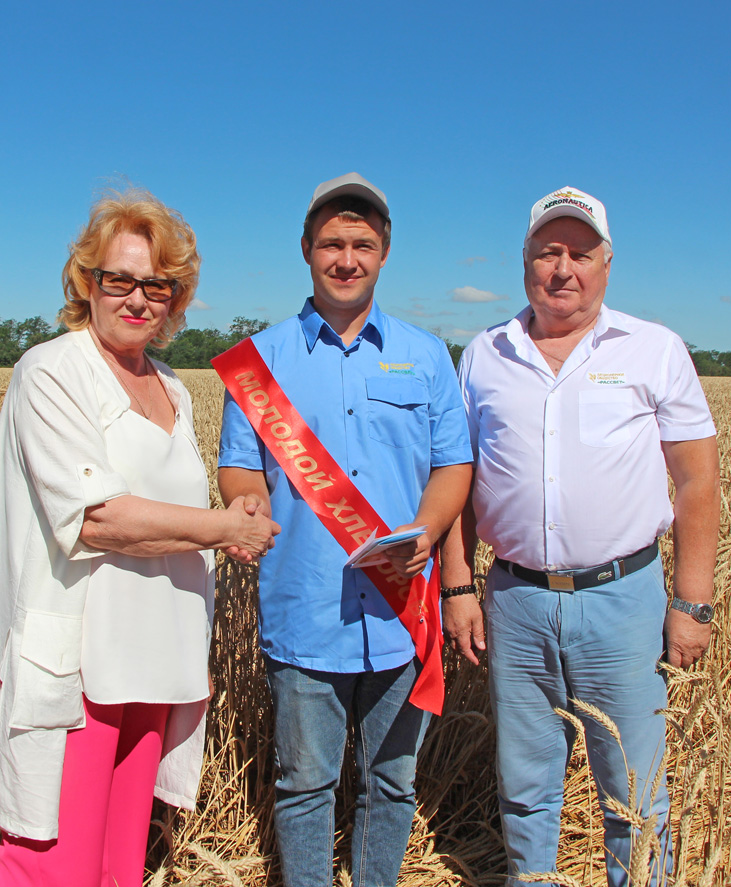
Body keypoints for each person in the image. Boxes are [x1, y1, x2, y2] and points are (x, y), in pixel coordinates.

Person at [0, 187, 280, 887]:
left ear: (176, 297)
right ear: (88, 282)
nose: (138, 299)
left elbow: (172, 510)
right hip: (80, 666)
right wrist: (221, 526)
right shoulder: (50, 372)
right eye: (120, 280)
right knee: (53, 864)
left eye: (157, 285)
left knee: (118, 866)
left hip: (157, 661)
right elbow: (97, 517)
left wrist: (235, 517)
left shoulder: (171, 386)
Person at [440, 187, 720, 887]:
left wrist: (691, 602)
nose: (564, 268)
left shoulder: (654, 350)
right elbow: (459, 480)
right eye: (548, 251)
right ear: (526, 260)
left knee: (635, 790)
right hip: (515, 599)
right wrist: (458, 583)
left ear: (607, 261)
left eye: (581, 253)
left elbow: (696, 484)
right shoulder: (484, 354)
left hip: (622, 601)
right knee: (526, 789)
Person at [217, 173, 472, 887]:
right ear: (306, 250)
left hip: (401, 612)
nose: (347, 258)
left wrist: (428, 530)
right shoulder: (260, 360)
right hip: (306, 611)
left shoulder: (426, 355)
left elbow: (454, 464)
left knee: (390, 783)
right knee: (305, 786)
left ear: (384, 252)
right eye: (332, 242)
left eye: (362, 243)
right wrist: (245, 510)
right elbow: (239, 470)